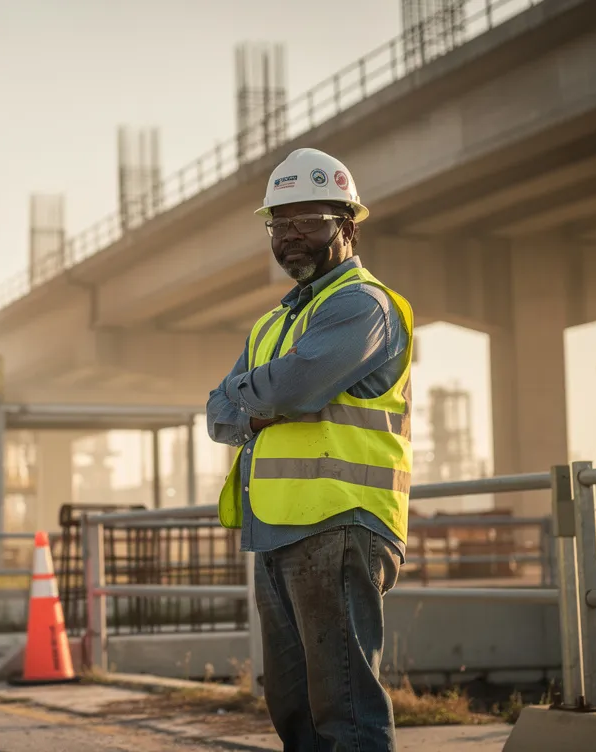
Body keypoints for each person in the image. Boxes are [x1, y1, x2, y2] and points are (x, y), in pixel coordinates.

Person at [207, 147, 414, 751]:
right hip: (275, 529)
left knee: (344, 709)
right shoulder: (275, 323)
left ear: (346, 226)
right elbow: (219, 415)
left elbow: (294, 390)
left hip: (339, 524)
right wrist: (257, 400)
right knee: (293, 708)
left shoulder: (361, 305)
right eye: (280, 223)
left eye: (309, 221)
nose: (292, 236)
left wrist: (256, 398)